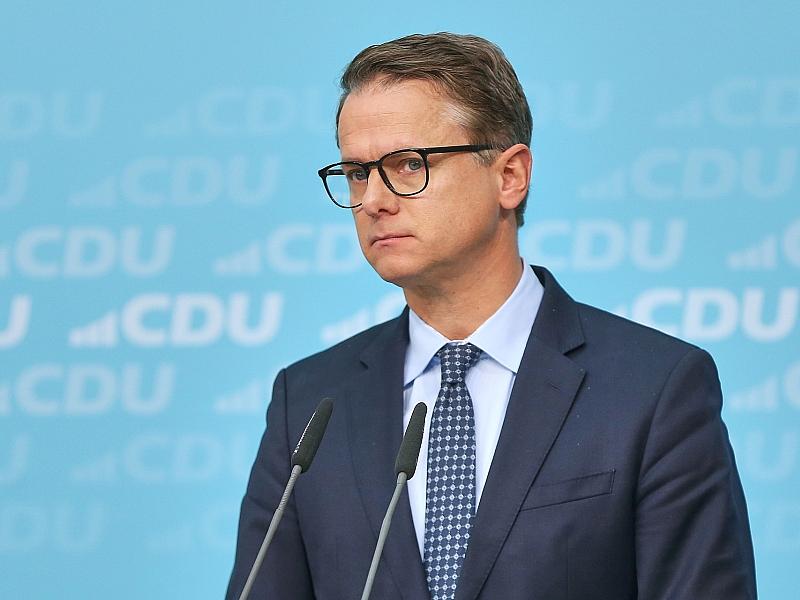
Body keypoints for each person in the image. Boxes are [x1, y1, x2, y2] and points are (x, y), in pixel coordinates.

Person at [226, 33, 757, 599]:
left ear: (510, 176)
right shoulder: (310, 403)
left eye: (408, 165)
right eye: (357, 172)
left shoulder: (653, 389)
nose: (374, 200)